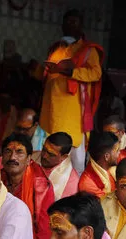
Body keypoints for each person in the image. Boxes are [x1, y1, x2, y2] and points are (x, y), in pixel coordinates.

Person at [40, 9, 104, 174]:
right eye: (66, 22)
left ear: (81, 26)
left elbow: (96, 73)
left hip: (73, 108)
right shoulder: (56, 47)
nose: (69, 26)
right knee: (51, 145)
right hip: (53, 106)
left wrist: (71, 72)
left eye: (73, 22)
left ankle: (76, 190)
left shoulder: (89, 49)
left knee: (75, 150)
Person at [1, 133, 54, 239]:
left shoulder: (41, 185)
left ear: (29, 159)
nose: (12, 157)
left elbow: (44, 230)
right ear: (2, 157)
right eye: (8, 151)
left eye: (19, 152)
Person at [78, 131, 120, 199]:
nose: (119, 153)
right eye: (117, 150)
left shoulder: (108, 166)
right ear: (107, 157)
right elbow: (107, 204)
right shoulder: (88, 183)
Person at [39, 132, 79, 200]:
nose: (44, 156)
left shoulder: (70, 182)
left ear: (64, 157)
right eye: (44, 149)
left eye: (51, 154)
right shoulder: (33, 157)